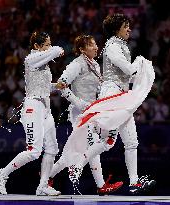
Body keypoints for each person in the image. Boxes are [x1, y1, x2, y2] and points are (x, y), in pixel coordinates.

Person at [63, 13, 156, 195]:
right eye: (125, 25)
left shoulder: (121, 46)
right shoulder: (112, 46)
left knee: (130, 142)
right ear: (116, 29)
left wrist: (142, 70)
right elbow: (129, 69)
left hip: (121, 95)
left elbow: (129, 75)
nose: (129, 29)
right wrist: (141, 63)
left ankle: (134, 182)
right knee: (108, 140)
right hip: (112, 94)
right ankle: (77, 164)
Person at [0, 31, 64, 196]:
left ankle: (43, 186)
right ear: (37, 46)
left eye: (49, 44)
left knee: (52, 148)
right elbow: (57, 50)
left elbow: (41, 85)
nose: (49, 47)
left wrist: (55, 86)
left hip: (45, 109)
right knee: (34, 151)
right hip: (33, 108)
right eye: (46, 44)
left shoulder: (43, 62)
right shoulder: (30, 59)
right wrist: (56, 48)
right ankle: (2, 174)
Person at [51, 35, 123, 195]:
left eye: (95, 44)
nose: (96, 47)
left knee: (77, 151)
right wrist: (79, 103)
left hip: (93, 112)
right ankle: (100, 185)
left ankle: (47, 177)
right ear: (82, 49)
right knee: (91, 146)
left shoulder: (95, 65)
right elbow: (61, 86)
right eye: (91, 45)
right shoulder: (76, 64)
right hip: (80, 113)